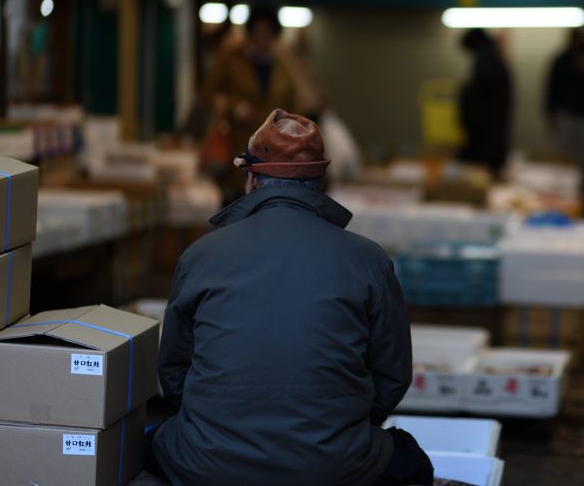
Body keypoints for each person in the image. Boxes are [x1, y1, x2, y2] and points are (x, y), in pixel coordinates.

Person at [147, 109, 433, 486]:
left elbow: (174, 377)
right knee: (410, 458)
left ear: (249, 178)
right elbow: (392, 378)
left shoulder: (200, 256)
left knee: (148, 439)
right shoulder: (369, 259)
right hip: (334, 466)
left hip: (207, 463)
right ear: (322, 179)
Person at [199, 5, 300, 200]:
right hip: (236, 152)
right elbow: (206, 94)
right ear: (249, 33)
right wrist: (234, 107)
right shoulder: (231, 59)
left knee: (264, 212)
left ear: (275, 35)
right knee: (235, 209)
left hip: (271, 159)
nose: (262, 39)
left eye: (267, 33)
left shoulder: (283, 68)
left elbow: (294, 110)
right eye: (257, 33)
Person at [457, 28, 512, 178]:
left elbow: (477, 102)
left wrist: (464, 93)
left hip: (483, 145)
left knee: (480, 180)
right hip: (495, 142)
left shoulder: (485, 58)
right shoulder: (494, 57)